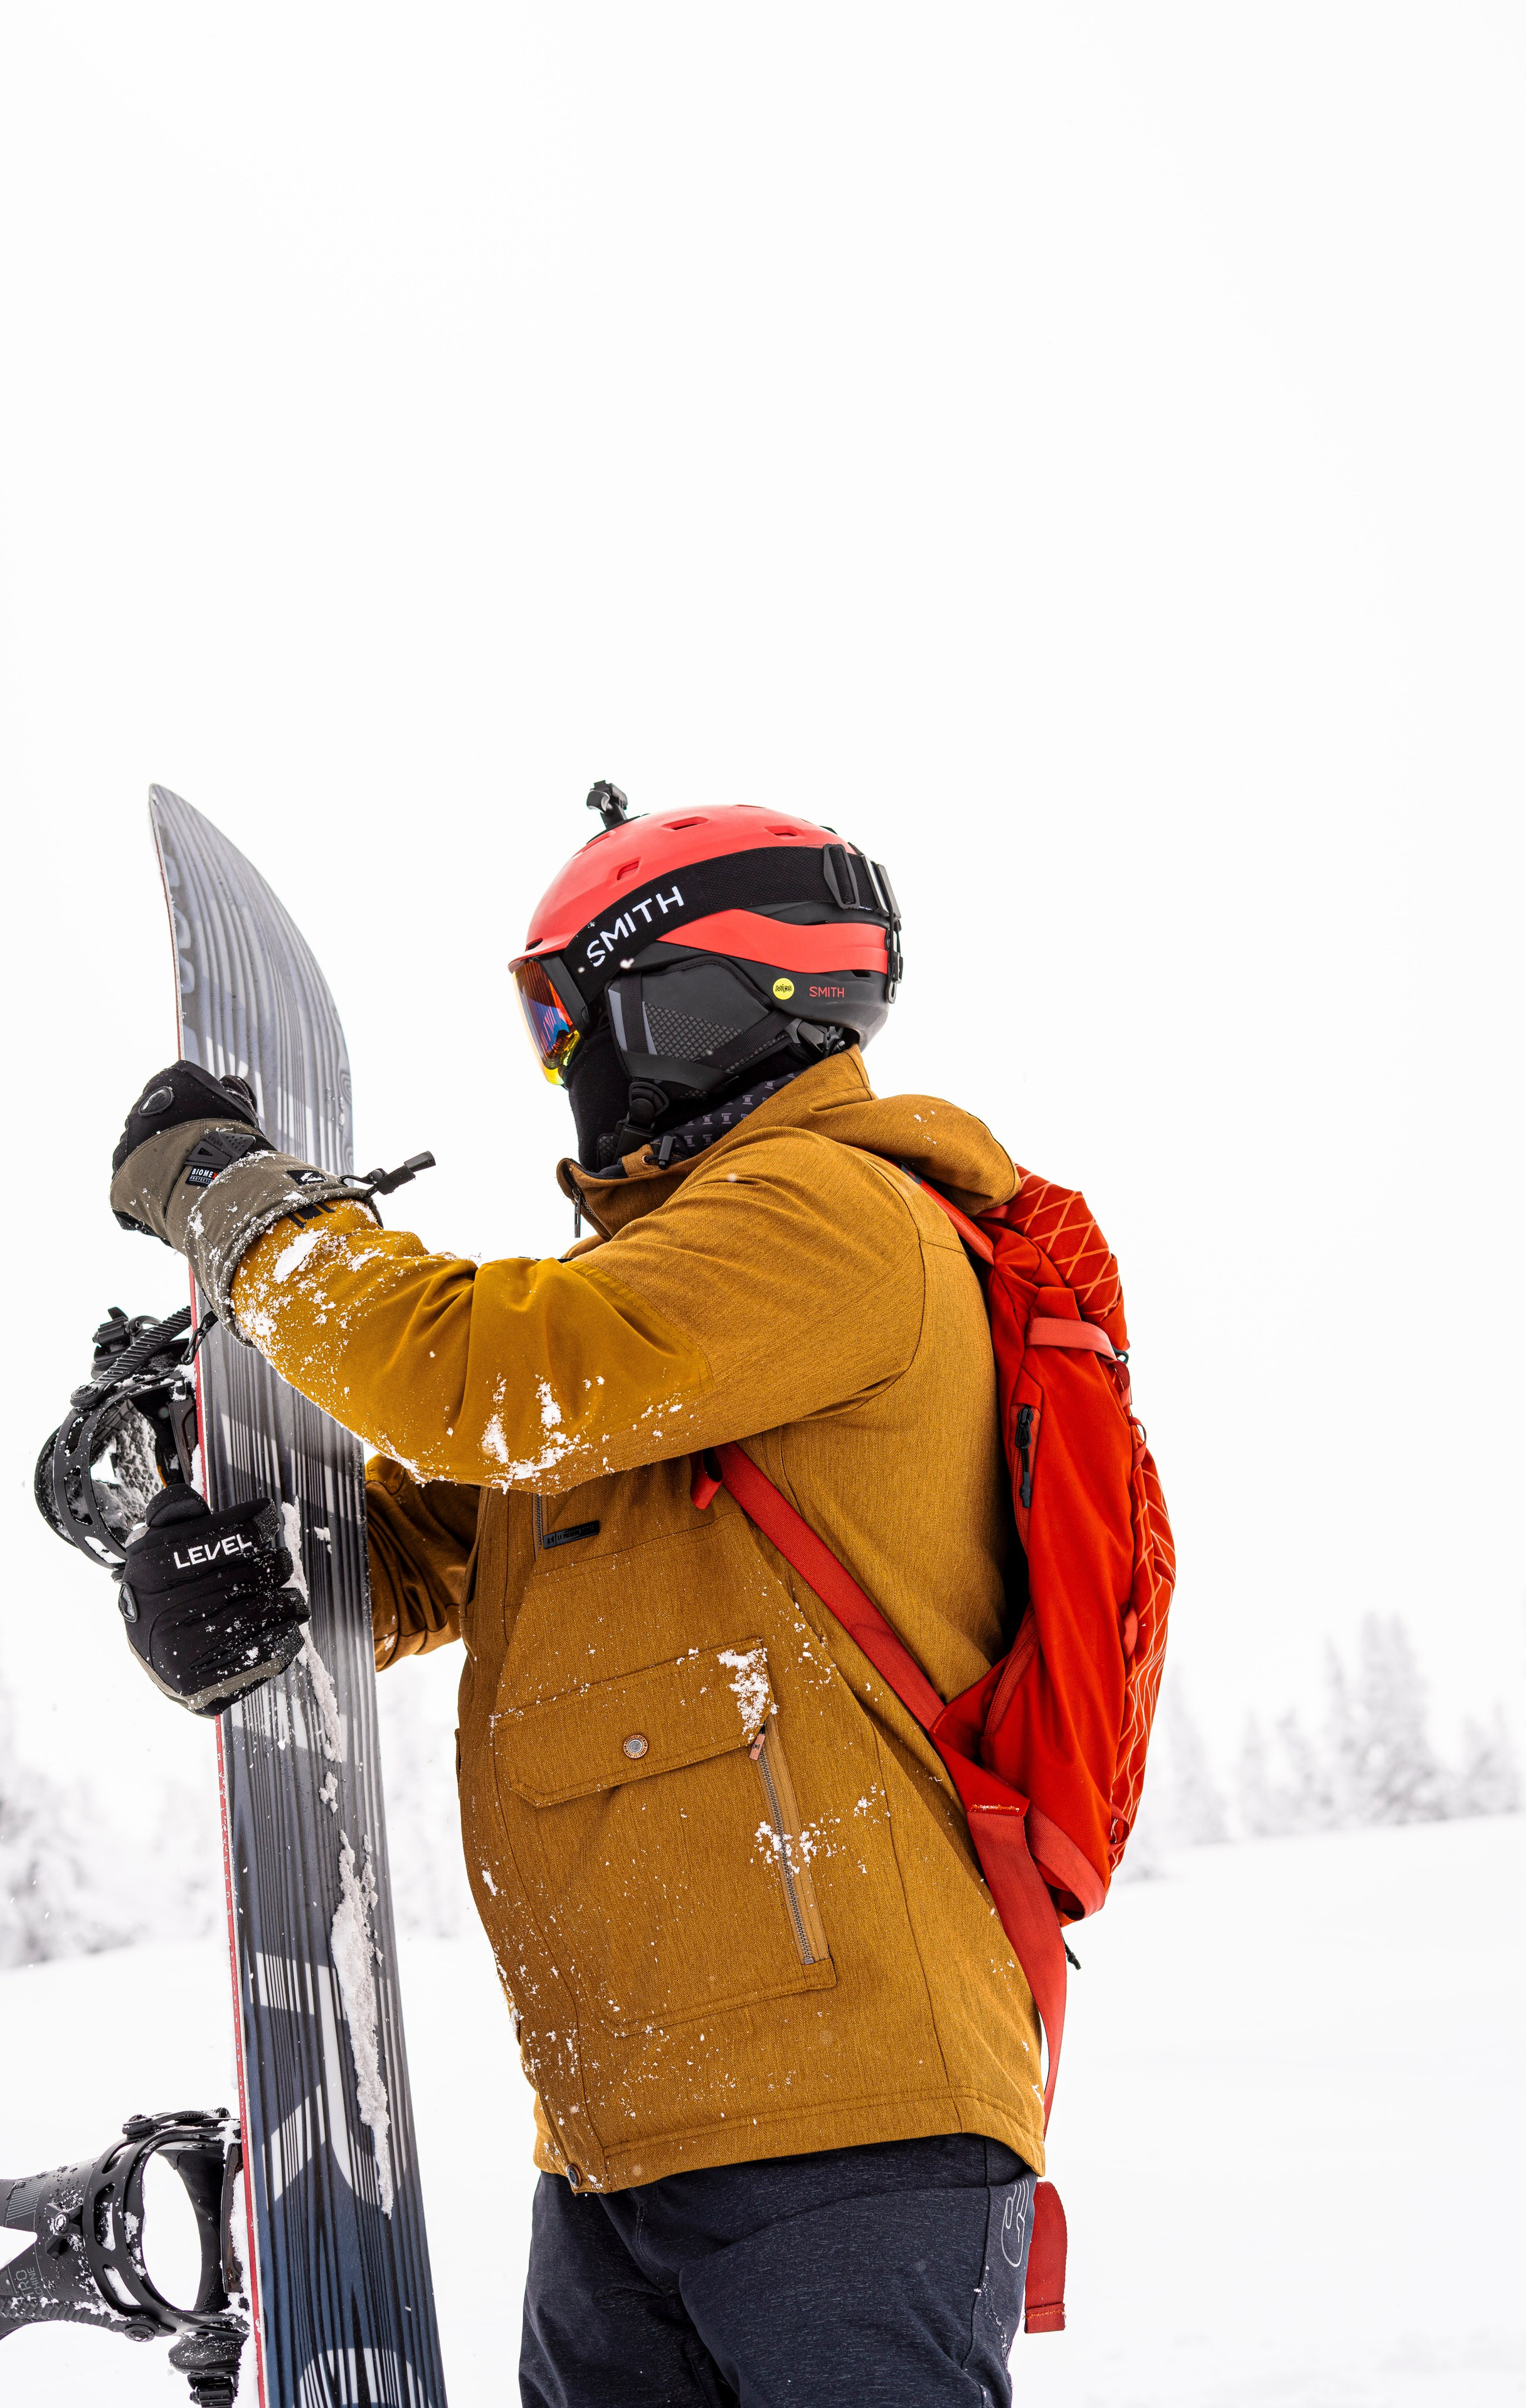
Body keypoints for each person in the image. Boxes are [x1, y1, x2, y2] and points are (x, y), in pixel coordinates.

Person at [110, 786, 1045, 2407]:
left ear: (703, 996)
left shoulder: (836, 1218)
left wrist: (248, 1215)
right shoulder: (661, 1323)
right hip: (620, 2141)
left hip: (849, 2125)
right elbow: (412, 1556)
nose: (563, 1061)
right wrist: (193, 1550)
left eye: (571, 1012)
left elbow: (482, 1382)